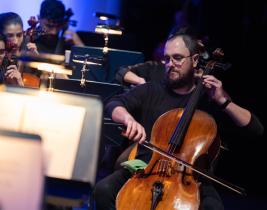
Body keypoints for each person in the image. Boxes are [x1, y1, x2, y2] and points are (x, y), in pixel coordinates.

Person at [93, 29, 264, 210]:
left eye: (177, 58)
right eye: (167, 59)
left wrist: (223, 102)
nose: (171, 64)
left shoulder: (207, 99)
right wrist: (128, 119)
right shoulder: (151, 89)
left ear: (195, 60)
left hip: (189, 177)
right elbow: (113, 103)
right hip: (144, 169)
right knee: (102, 190)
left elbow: (255, 129)